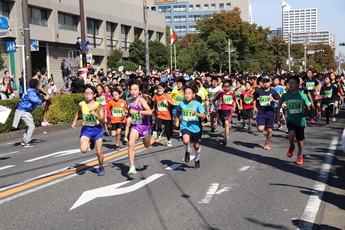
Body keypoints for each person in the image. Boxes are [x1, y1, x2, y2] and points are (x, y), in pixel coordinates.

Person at [71, 86, 106, 176]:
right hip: (86, 129)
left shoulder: (98, 105)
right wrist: (74, 122)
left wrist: (96, 114)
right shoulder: (82, 104)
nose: (87, 95)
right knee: (83, 150)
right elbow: (78, 112)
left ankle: (101, 166)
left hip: (97, 129)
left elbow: (102, 120)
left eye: (89, 93)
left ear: (94, 94)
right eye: (86, 93)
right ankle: (91, 141)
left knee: (98, 152)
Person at [277, 76, 311, 165]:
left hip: (300, 120)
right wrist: (277, 114)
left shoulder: (302, 95)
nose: (290, 85)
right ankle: (291, 146)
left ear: (298, 85)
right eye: (289, 83)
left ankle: (300, 154)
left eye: (293, 83)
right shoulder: (286, 95)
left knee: (300, 140)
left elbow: (309, 108)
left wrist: (305, 104)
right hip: (290, 119)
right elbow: (280, 102)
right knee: (291, 133)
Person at [127, 82, 156, 175]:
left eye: (135, 90)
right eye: (131, 90)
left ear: (139, 91)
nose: (133, 91)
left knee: (147, 145)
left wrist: (138, 112)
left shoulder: (142, 100)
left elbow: (149, 112)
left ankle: (154, 137)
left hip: (144, 127)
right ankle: (132, 167)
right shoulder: (130, 101)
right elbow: (130, 112)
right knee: (130, 144)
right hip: (135, 126)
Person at [12, 79, 50, 147]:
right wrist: (45, 99)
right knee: (31, 126)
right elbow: (36, 101)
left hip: (22, 110)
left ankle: (25, 140)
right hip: (23, 111)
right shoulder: (31, 92)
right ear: (36, 85)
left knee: (30, 125)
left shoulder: (29, 90)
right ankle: (26, 142)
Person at [178, 85, 205, 170]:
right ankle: (187, 151)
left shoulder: (197, 104)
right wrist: (177, 119)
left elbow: (203, 116)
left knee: (196, 146)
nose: (187, 95)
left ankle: (197, 160)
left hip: (196, 128)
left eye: (189, 93)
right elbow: (178, 112)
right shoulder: (181, 104)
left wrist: (196, 114)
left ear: (193, 95)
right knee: (186, 141)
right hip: (185, 126)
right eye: (185, 93)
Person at [253, 76, 280, 150]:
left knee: (270, 130)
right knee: (260, 129)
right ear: (262, 83)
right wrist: (254, 107)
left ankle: (267, 143)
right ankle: (264, 125)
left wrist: (273, 100)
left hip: (270, 111)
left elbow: (279, 101)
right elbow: (254, 99)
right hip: (261, 111)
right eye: (264, 82)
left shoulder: (273, 92)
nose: (265, 83)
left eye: (267, 82)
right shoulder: (259, 91)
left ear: (270, 82)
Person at [213, 80, 239, 146]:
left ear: (230, 87)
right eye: (225, 86)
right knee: (224, 124)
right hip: (221, 109)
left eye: (228, 87)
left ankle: (225, 138)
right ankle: (227, 129)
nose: (226, 88)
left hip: (229, 109)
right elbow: (214, 99)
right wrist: (215, 106)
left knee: (227, 123)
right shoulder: (220, 93)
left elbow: (235, 100)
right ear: (223, 86)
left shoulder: (232, 93)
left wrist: (235, 106)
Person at [153, 82, 174, 147]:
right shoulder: (156, 96)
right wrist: (153, 109)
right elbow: (155, 103)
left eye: (160, 88)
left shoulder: (167, 95)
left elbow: (172, 103)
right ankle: (160, 131)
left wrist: (166, 99)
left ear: (164, 89)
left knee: (167, 130)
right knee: (158, 125)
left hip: (167, 115)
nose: (159, 90)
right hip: (159, 114)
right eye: (158, 89)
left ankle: (169, 140)